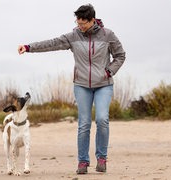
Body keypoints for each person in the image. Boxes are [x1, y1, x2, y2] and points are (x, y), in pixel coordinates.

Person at [18, 4, 125, 174]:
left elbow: (120, 55)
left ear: (92, 21)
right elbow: (51, 43)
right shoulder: (73, 36)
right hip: (82, 85)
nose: (79, 26)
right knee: (84, 124)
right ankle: (83, 162)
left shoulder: (107, 35)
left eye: (83, 23)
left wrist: (109, 71)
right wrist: (29, 47)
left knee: (102, 119)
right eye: (78, 22)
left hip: (103, 84)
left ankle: (102, 158)